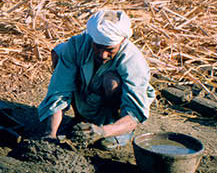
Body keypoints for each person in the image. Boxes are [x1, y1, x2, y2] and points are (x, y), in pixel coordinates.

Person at [38, 9, 156, 148]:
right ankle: (81, 119)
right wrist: (50, 134)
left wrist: (102, 131)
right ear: (92, 39)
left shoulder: (133, 61)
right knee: (59, 52)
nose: (103, 55)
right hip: (88, 101)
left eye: (109, 50)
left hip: (114, 117)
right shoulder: (78, 45)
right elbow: (60, 90)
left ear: (122, 40)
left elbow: (134, 114)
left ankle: (115, 130)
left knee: (111, 81)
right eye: (98, 47)